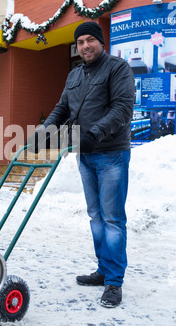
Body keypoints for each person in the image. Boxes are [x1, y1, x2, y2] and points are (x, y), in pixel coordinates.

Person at [27, 21, 135, 308]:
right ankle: (103, 270)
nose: (85, 46)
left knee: (112, 219)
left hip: (111, 153)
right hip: (84, 154)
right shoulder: (74, 74)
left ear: (101, 42)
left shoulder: (117, 68)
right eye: (80, 42)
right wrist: (44, 133)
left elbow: (122, 109)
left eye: (90, 40)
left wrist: (94, 134)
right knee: (96, 216)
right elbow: (62, 108)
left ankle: (114, 282)